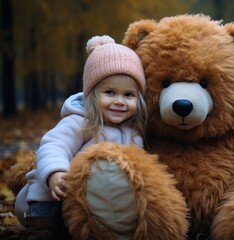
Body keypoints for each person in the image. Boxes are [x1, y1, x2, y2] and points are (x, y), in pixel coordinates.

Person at [15, 35, 147, 239]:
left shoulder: (136, 131)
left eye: (128, 95)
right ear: (92, 94)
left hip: (102, 200)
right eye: (110, 92)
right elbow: (54, 145)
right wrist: (55, 173)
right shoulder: (81, 122)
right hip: (65, 191)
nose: (120, 101)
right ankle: (40, 229)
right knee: (44, 184)